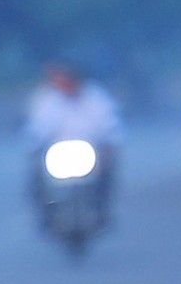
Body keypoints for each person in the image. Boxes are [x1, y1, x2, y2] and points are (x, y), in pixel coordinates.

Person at [23, 60, 123, 212]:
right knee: (36, 176)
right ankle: (44, 211)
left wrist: (109, 146)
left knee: (108, 173)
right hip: (57, 154)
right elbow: (36, 129)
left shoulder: (95, 97)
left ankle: (102, 208)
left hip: (91, 153)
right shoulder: (45, 99)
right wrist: (35, 146)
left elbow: (109, 125)